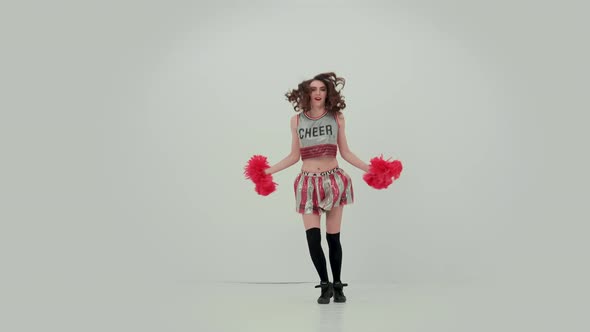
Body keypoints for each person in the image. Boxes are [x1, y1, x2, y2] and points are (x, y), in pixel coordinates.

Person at [244, 72, 402, 304]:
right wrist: (267, 171)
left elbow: (345, 152)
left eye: (322, 89)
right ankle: (324, 284)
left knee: (333, 239)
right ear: (306, 93)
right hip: (307, 184)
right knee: (312, 239)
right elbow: (294, 156)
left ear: (328, 92)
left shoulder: (336, 117)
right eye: (313, 89)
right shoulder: (296, 120)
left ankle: (338, 285)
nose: (318, 93)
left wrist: (370, 168)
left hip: (334, 182)